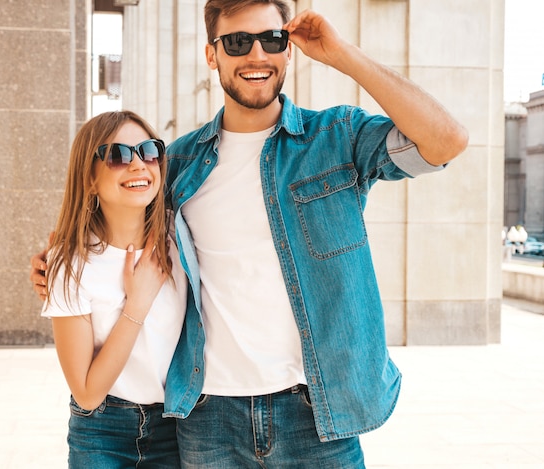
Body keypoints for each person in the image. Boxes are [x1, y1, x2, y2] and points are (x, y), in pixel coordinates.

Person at [32, 1, 468, 467]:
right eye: (238, 42)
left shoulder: (335, 138)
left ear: (289, 50)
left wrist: (342, 55)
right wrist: (59, 265)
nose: (256, 55)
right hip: (208, 420)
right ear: (212, 55)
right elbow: (115, 211)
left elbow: (446, 141)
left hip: (316, 415)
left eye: (272, 39)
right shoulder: (177, 162)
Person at [40, 110, 187, 468]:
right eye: (118, 156)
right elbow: (88, 393)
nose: (139, 165)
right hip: (102, 432)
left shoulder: (181, 237)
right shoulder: (70, 264)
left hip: (178, 428)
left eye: (149, 151)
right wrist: (137, 305)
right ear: (89, 179)